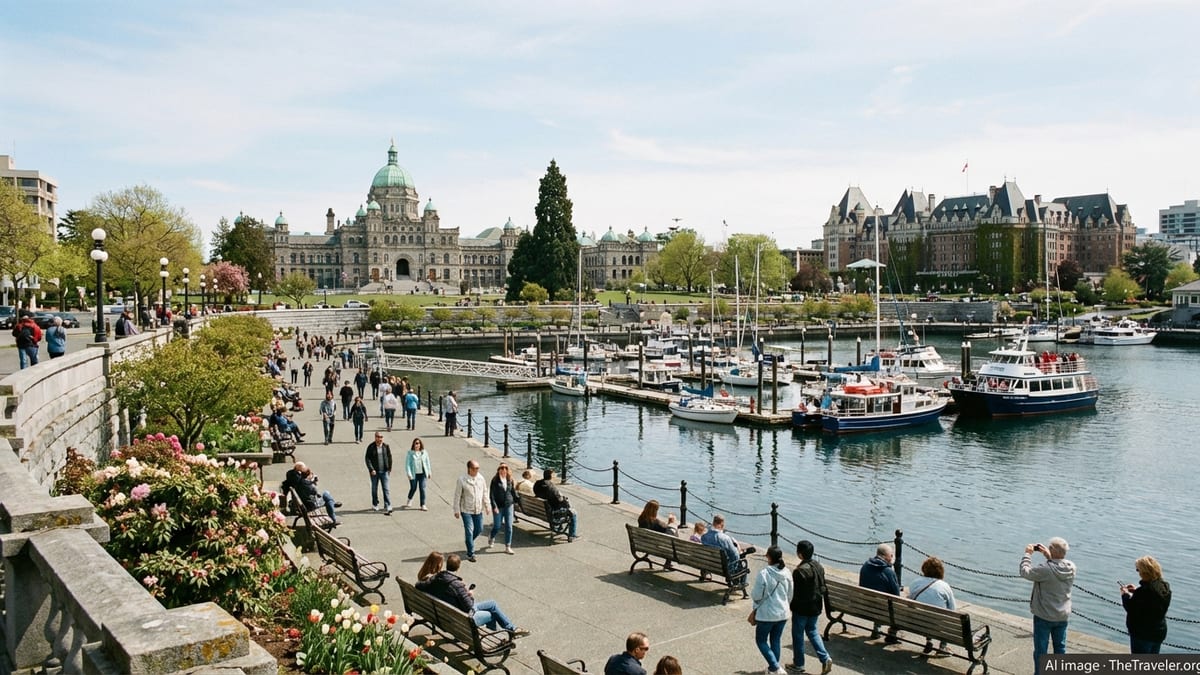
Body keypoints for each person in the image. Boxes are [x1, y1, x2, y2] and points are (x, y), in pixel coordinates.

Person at [415, 551, 529, 637]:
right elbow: (469, 607)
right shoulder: (455, 584)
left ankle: (511, 629)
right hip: (461, 618)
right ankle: (495, 638)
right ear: (458, 567)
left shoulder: (431, 581)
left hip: (446, 613)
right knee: (491, 613)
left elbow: (419, 585)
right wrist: (469, 594)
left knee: (492, 604)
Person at [1020, 537, 1076, 675]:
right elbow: (1057, 566)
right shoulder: (1071, 568)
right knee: (1060, 648)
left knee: (1041, 650)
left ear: (1052, 550)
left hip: (1044, 615)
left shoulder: (1045, 570)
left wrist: (1027, 554)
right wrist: (1049, 555)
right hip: (1062, 615)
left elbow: (1025, 572)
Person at [790, 540, 833, 674]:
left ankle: (799, 664)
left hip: (801, 608)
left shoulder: (799, 572)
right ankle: (825, 658)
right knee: (813, 632)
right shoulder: (819, 566)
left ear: (800, 554)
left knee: (798, 635)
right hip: (815, 606)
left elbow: (794, 591)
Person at [751, 545, 793, 675]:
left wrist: (756, 605)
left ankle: (775, 667)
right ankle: (773, 669)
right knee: (775, 640)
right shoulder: (787, 572)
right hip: (783, 612)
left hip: (767, 613)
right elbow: (790, 593)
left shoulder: (764, 573)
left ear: (768, 557)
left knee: (761, 640)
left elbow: (757, 595)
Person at [1120, 555, 1171, 654]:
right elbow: (1151, 602)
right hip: (1158, 631)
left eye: (1138, 570)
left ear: (1144, 572)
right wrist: (1136, 591)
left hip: (1142, 633)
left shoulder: (1144, 591)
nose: (1138, 572)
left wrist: (1124, 595)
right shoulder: (1164, 587)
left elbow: (1131, 608)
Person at [908, 556, 956, 654]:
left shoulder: (915, 583)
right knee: (946, 618)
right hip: (937, 626)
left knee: (925, 612)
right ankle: (942, 647)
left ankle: (929, 641)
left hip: (915, 622)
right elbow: (952, 609)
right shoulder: (944, 586)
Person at [859, 543, 902, 643]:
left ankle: (876, 629)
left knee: (878, 599)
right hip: (882, 610)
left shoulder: (866, 566)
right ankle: (892, 634)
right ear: (886, 556)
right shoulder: (888, 572)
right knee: (895, 606)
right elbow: (896, 596)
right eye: (891, 555)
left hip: (863, 606)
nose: (892, 557)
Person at [281, 461, 340, 527]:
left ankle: (332, 504)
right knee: (327, 496)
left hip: (303, 503)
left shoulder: (294, 478)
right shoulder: (305, 483)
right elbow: (314, 493)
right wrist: (312, 482)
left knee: (327, 496)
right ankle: (333, 518)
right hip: (310, 505)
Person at [453, 460, 490, 562]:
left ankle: (469, 542)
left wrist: (487, 505)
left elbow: (484, 492)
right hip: (466, 510)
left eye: (478, 468)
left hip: (478, 509)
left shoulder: (481, 478)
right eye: (475, 468)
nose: (477, 470)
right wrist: (456, 509)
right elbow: (457, 495)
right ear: (469, 469)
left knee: (479, 529)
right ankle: (471, 553)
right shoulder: (462, 479)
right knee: (469, 531)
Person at [700, 514, 752, 584]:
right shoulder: (725, 539)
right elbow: (735, 556)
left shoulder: (704, 537)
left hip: (709, 564)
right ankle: (741, 583)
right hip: (724, 568)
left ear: (713, 523)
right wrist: (739, 549)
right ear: (721, 525)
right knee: (741, 560)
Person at [533, 468, 579, 542]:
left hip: (542, 511)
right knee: (573, 513)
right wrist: (564, 499)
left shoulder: (537, 483)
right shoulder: (551, 487)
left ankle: (559, 527)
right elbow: (559, 500)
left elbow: (536, 493)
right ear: (551, 476)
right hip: (553, 513)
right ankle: (572, 535)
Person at [488, 464, 518, 555]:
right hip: (498, 506)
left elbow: (513, 492)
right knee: (497, 526)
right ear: (498, 470)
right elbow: (491, 495)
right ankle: (492, 536)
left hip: (508, 505)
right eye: (501, 468)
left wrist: (517, 500)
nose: (503, 470)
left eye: (505, 468)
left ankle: (508, 546)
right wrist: (494, 506)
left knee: (509, 526)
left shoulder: (510, 480)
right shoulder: (495, 481)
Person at [364, 432, 393, 515]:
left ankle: (388, 504)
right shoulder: (371, 447)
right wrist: (371, 469)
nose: (380, 439)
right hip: (375, 472)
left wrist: (389, 468)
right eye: (378, 437)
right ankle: (375, 503)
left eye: (381, 437)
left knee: (386, 489)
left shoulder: (386, 446)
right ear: (375, 437)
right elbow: (367, 459)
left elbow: (389, 457)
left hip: (384, 471)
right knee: (374, 488)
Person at [405, 437, 432, 510]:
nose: (417, 445)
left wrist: (429, 472)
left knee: (422, 488)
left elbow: (427, 462)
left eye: (418, 443)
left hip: (422, 474)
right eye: (416, 443)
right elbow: (407, 464)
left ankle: (423, 504)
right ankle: (409, 499)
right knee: (413, 488)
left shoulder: (424, 452)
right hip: (414, 474)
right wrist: (409, 474)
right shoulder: (410, 453)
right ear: (413, 445)